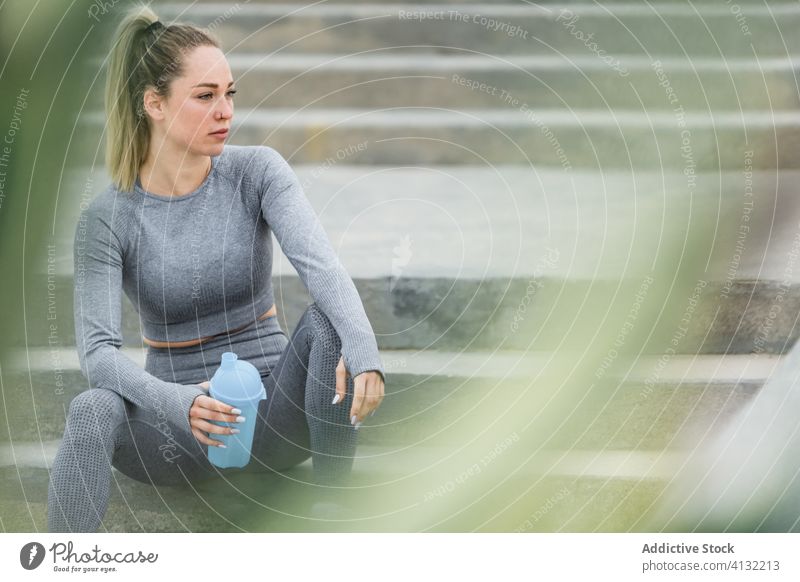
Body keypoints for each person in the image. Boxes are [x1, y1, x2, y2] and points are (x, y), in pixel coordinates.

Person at [47, 5, 385, 532]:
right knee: (91, 407)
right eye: (205, 96)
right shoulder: (107, 221)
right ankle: (58, 564)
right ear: (154, 103)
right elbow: (97, 355)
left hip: (274, 418)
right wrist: (180, 403)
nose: (225, 110)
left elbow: (320, 266)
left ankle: (333, 521)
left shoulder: (257, 172)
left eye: (230, 93)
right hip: (176, 433)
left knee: (329, 324)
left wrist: (363, 347)